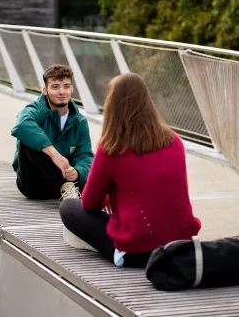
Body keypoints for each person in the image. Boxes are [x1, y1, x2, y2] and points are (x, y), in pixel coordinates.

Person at [60, 73, 201, 268]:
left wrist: (108, 198)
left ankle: (99, 244)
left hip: (137, 253)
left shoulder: (110, 148)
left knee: (69, 207)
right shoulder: (174, 141)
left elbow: (90, 203)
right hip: (180, 247)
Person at [11, 64, 94, 200]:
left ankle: (69, 188)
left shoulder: (80, 121)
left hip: (70, 185)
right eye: (55, 87)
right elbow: (22, 125)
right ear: (45, 90)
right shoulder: (36, 109)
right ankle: (65, 186)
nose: (61, 92)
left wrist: (78, 172)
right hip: (35, 185)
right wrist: (54, 154)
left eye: (66, 86)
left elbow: (85, 155)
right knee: (27, 142)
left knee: (99, 157)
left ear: (72, 89)